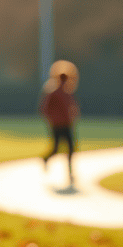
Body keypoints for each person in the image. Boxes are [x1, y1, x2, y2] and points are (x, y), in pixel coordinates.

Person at [39, 60, 81, 190]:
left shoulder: (67, 92)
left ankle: (69, 172)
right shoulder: (54, 92)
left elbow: (72, 108)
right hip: (58, 125)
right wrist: (54, 119)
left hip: (66, 124)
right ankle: (46, 159)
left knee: (70, 148)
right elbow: (45, 109)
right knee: (58, 148)